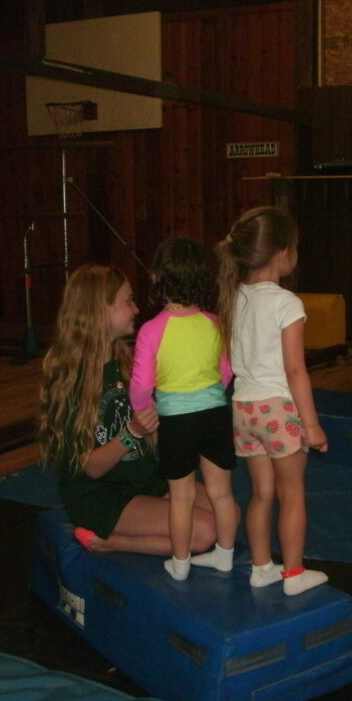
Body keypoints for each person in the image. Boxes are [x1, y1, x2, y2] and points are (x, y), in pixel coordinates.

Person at [37, 263, 218, 556]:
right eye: (128, 301)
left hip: (144, 479)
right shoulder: (71, 379)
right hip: (102, 494)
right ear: (101, 309)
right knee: (204, 531)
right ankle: (108, 543)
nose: (136, 309)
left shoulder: (125, 362)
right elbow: (91, 467)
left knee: (225, 509)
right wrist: (132, 432)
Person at [216, 206, 329, 597]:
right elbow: (295, 370)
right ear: (283, 252)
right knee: (292, 494)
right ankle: (293, 574)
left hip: (243, 409)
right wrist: (311, 424)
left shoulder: (234, 297)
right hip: (278, 410)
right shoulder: (286, 302)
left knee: (261, 493)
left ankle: (261, 567)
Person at [130, 238, 239, 581]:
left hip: (176, 420)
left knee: (181, 498)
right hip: (215, 415)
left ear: (158, 278)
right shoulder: (214, 322)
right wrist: (211, 395)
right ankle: (225, 555)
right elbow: (227, 370)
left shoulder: (151, 330)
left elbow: (141, 385)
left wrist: (145, 412)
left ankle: (180, 562)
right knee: (221, 492)